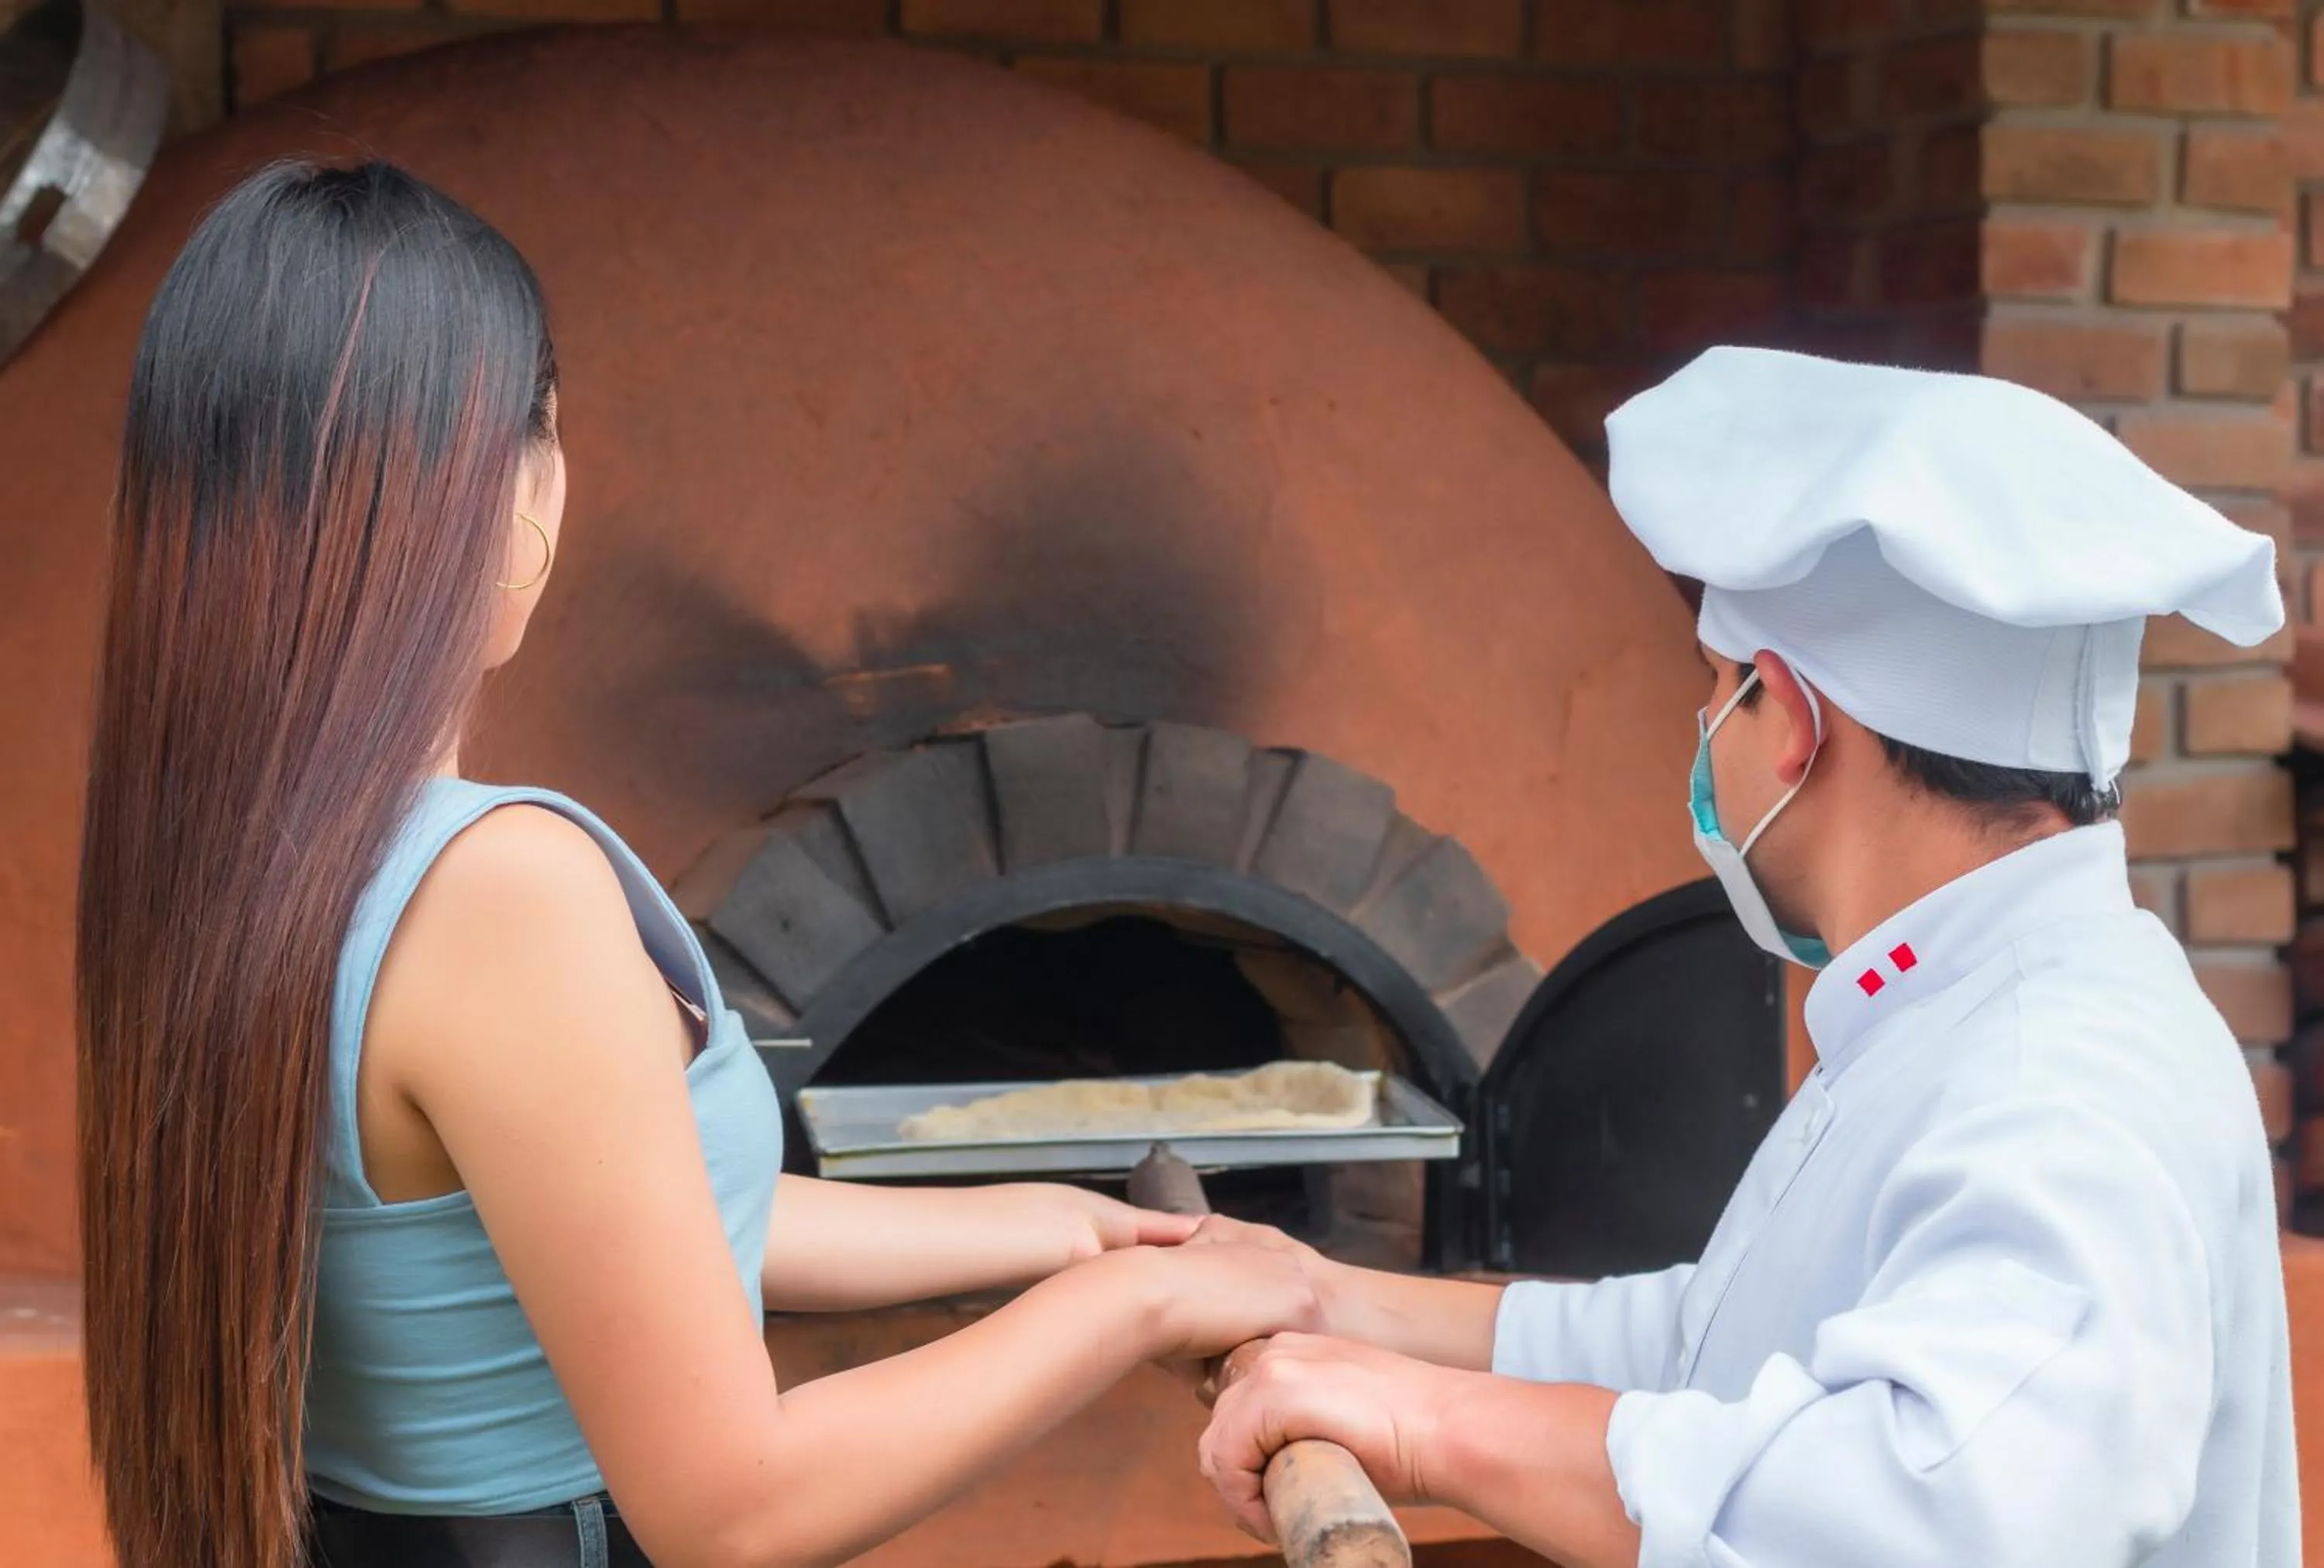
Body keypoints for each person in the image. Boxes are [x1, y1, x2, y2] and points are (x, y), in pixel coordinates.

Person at [74, 160, 1318, 1568]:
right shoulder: (497, 895)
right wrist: (1138, 1315)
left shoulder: (226, 865)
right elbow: (736, 1507)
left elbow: (640, 1221)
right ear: (510, 492)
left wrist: (1068, 1236)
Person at [1194, 346, 2300, 1567]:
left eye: (1714, 688)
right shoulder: (1964, 1005)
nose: (1703, 730)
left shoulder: (2057, 1083)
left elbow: (1934, 1510)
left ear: (1790, 720)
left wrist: (1426, 1427)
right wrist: (1326, 1300)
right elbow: (1727, 1344)